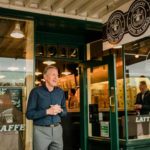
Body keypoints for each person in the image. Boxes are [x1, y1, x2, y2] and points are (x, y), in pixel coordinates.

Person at [26, 66, 67, 150]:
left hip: (57, 130)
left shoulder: (60, 92)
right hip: (40, 131)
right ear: (45, 77)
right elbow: (29, 114)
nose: (56, 78)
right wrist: (47, 111)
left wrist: (60, 110)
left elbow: (65, 112)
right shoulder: (36, 92)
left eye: (57, 75)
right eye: (53, 75)